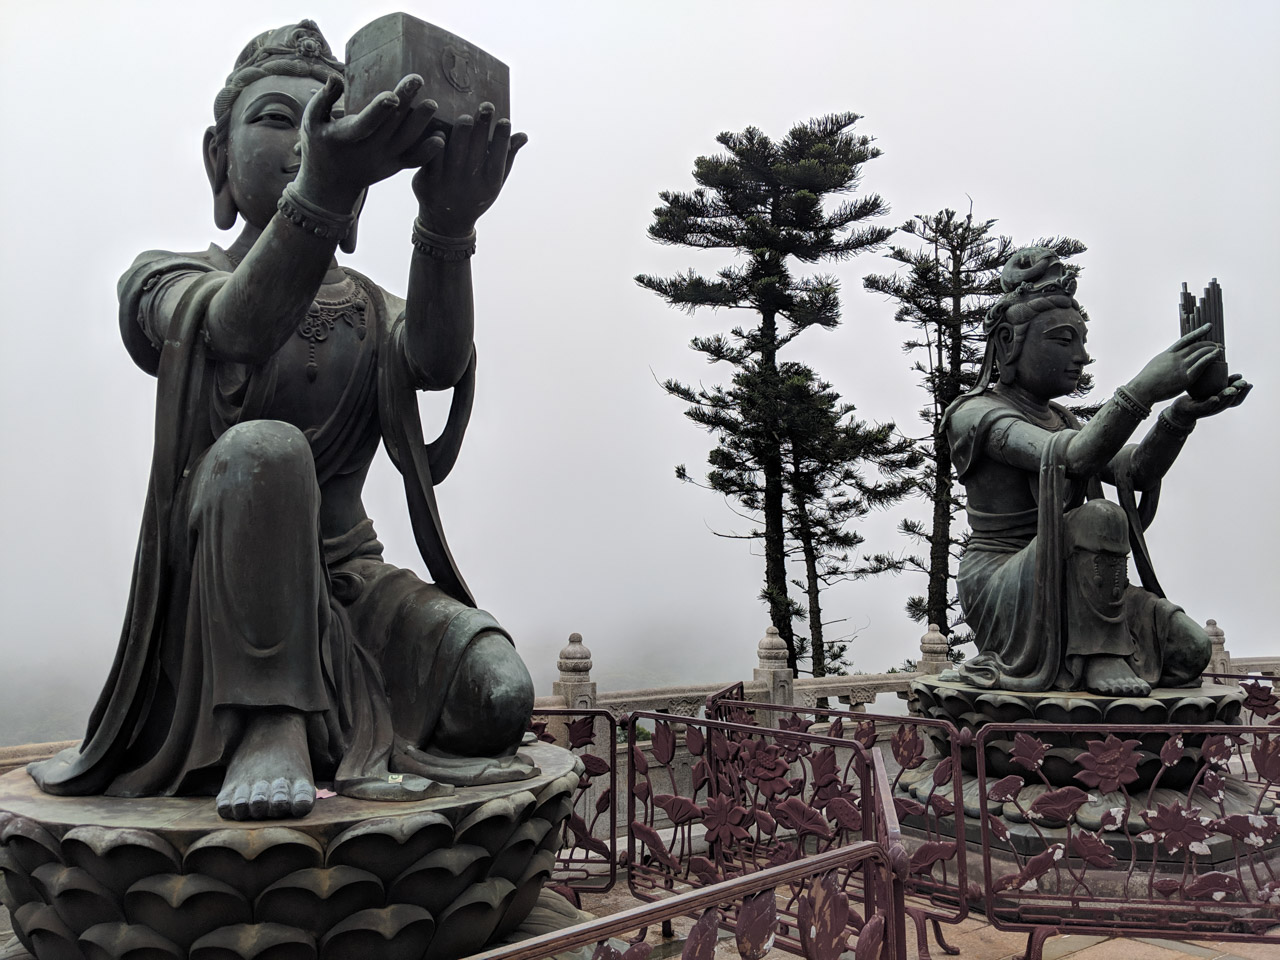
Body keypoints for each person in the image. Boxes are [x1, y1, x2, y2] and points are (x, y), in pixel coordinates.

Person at [29, 21, 535, 820]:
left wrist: (446, 224)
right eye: (275, 118)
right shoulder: (167, 278)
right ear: (216, 157)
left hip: (354, 588)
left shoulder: (371, 307)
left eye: (323, 123)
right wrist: (324, 191)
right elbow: (235, 329)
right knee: (265, 450)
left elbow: (436, 361)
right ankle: (268, 719)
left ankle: (339, 723)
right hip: (218, 607)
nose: (303, 140)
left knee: (500, 693)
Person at [942, 247, 1250, 697]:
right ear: (1008, 342)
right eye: (1065, 341)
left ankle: (1100, 652)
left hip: (1077, 583)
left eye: (1083, 342)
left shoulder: (1062, 418)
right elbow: (1073, 457)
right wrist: (1143, 388)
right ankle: (1098, 657)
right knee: (1101, 517)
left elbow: (1135, 470)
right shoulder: (975, 415)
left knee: (1189, 648)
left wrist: (1180, 415)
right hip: (1006, 579)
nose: (1083, 357)